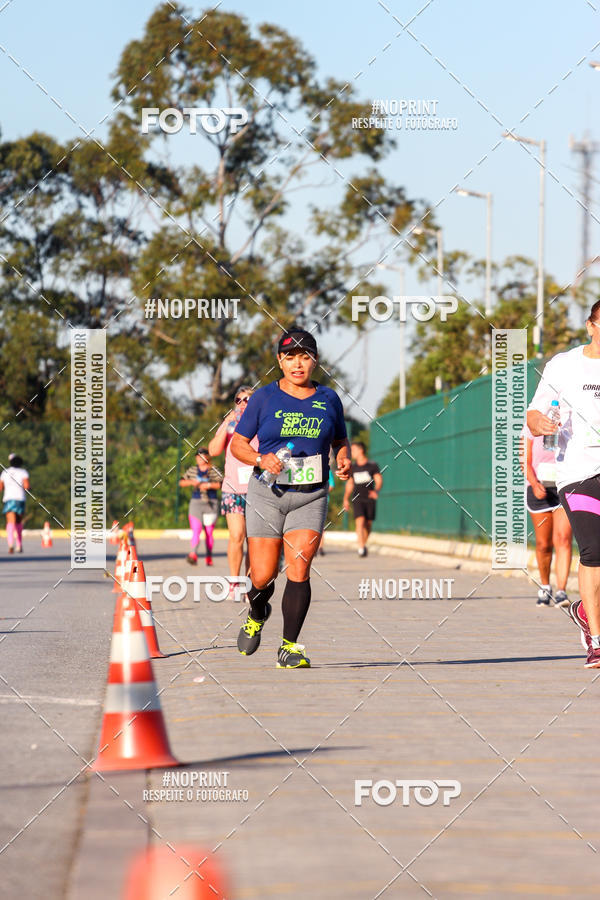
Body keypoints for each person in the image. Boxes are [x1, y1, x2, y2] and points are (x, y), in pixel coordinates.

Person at [230, 328, 351, 668]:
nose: (298, 363)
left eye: (305, 356)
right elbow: (238, 444)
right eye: (291, 357)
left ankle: (290, 647)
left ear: (315, 360)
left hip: (310, 496)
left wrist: (342, 458)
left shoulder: (329, 399)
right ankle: (257, 612)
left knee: (299, 568)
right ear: (280, 361)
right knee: (262, 576)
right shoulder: (264, 399)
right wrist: (258, 459)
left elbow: (341, 440)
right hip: (267, 493)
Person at [527, 299, 600, 667]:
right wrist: (539, 424)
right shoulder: (564, 365)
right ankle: (597, 641)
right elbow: (534, 413)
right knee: (593, 549)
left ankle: (587, 611)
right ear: (590, 325)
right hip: (578, 473)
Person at [208, 386, 258, 600]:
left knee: (253, 540)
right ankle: (233, 582)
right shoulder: (230, 424)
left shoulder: (262, 422)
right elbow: (212, 451)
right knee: (237, 535)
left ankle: (249, 585)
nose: (244, 403)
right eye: (239, 399)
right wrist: (227, 424)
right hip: (233, 489)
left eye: (248, 399)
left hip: (258, 488)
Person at [523, 426, 572, 607]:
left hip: (564, 486)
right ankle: (545, 586)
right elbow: (525, 461)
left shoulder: (569, 424)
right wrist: (534, 484)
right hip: (539, 489)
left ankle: (561, 591)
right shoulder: (530, 428)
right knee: (544, 544)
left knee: (563, 539)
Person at [179, 448, 222, 566]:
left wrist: (208, 485)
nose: (199, 458)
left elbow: (222, 484)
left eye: (202, 456)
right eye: (197, 456)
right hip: (196, 502)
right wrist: (192, 482)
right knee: (196, 530)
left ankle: (209, 555)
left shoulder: (213, 470)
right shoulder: (193, 470)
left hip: (210, 503)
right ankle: (193, 554)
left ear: (207, 457)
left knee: (208, 532)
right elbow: (181, 482)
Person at [343, 441, 383, 557]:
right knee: (360, 522)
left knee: (368, 524)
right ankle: (361, 547)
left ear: (361, 450)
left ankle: (363, 544)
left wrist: (376, 491)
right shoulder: (353, 467)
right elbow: (350, 484)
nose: (352, 453)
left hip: (369, 497)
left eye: (354, 450)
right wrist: (345, 499)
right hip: (357, 498)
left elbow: (378, 480)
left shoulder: (372, 465)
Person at [1, 454, 30, 554]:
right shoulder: (23, 472)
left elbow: (0, 487)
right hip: (20, 499)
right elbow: (26, 486)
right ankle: (19, 545)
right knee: (18, 523)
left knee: (10, 522)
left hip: (9, 499)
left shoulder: (5, 472)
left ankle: (10, 545)